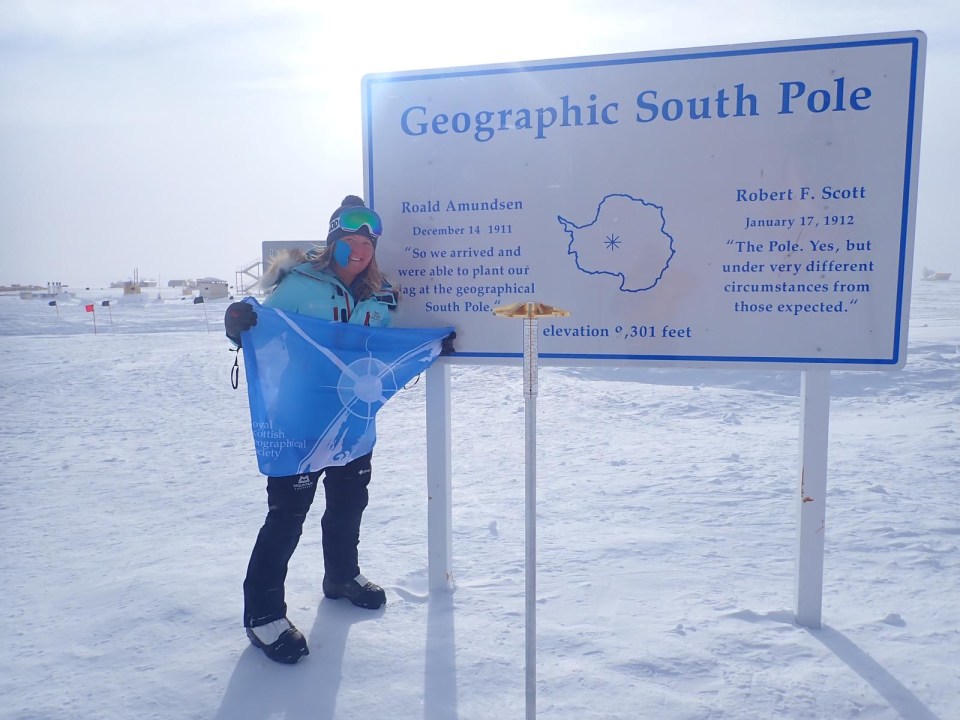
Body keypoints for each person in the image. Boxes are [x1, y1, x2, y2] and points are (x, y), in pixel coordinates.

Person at [224, 195, 454, 664]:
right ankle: (263, 614)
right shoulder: (300, 285)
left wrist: (428, 346)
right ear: (332, 244)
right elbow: (262, 327)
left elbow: (379, 346)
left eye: (367, 242)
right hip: (300, 418)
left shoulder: (380, 293)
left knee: (350, 503)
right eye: (349, 241)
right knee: (288, 514)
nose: (360, 249)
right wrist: (235, 325)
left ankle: (341, 576)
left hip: (353, 416)